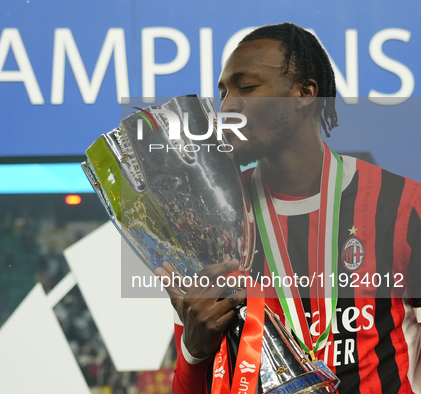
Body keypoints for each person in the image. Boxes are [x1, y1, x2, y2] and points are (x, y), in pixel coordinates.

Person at [157, 22, 421, 394]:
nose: (228, 105)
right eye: (224, 92)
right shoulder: (213, 228)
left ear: (305, 93)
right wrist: (195, 351)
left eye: (246, 88)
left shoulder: (402, 204)